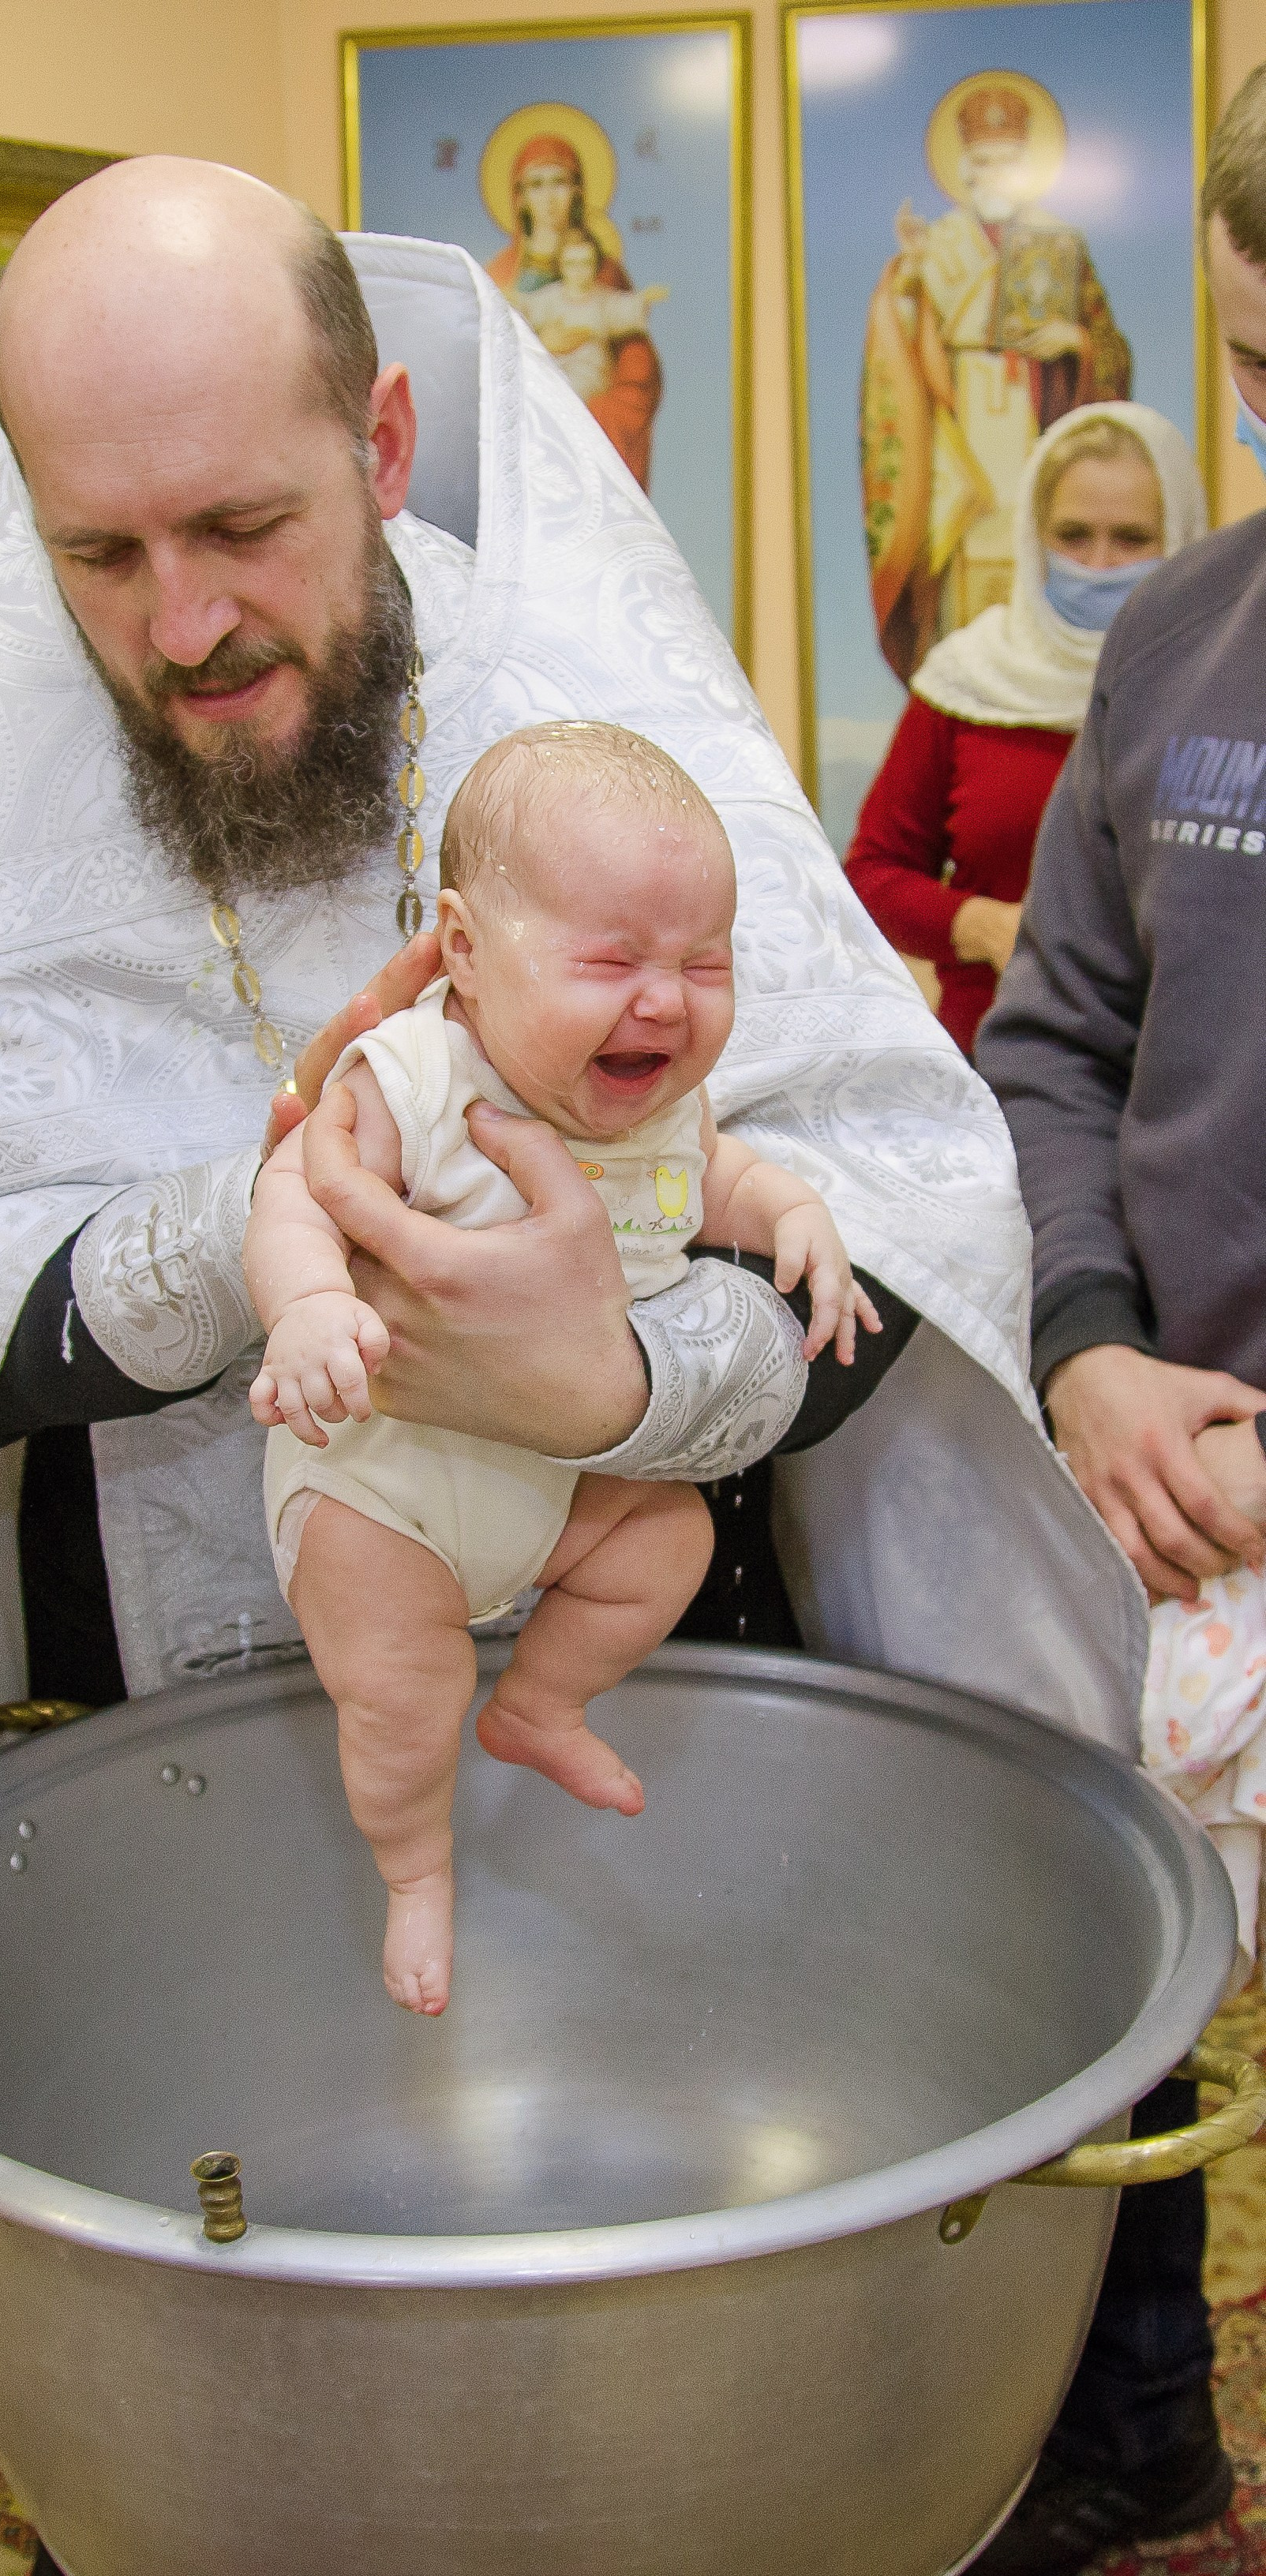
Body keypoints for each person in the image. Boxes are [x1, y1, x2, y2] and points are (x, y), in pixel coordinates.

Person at [0, 155, 1134, 1956]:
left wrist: (610, 1386)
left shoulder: (606, 745)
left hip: (653, 1678)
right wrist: (250, 1239)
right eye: (98, 552)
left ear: (385, 442)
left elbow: (903, 1214)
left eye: (243, 527)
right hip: (160, 1750)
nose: (181, 628)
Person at [247, 724, 875, 2013]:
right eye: (613, 960)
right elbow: (296, 1188)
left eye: (707, 961)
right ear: (466, 952)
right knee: (403, 1698)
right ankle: (417, 1873)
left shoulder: (660, 1107)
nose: (667, 1000)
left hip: (556, 1479)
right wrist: (310, 1305)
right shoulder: (418, 1072)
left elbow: (720, 1180)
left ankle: (538, 1699)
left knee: (668, 1543)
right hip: (382, 1488)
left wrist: (794, 1211)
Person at [973, 62, 1266, 2576]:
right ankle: (1136, 2419)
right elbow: (1053, 1032)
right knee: (1087, 1966)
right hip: (1149, 1468)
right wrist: (1077, 1334)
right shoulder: (1172, 631)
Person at [845, 402, 1205, 1055]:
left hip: (1180, 1074)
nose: (1099, 564)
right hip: (992, 1063)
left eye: (1131, 539)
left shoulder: (1221, 685)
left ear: (1179, 537)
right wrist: (981, 926)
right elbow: (872, 874)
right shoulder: (967, 682)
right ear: (1032, 539)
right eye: (1072, 535)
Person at [863, 76, 1133, 680]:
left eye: (1008, 160)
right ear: (964, 168)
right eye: (983, 161)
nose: (995, 173)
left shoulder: (1060, 244)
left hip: (1037, 432)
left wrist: (1077, 344)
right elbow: (898, 347)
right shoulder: (938, 245)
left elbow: (1112, 353)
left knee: (1034, 558)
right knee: (964, 574)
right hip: (963, 454)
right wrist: (908, 272)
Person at [485, 134, 664, 488]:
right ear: (519, 197)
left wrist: (597, 415)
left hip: (589, 423)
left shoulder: (606, 273)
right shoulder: (500, 275)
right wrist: (548, 345)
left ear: (578, 192)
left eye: (560, 183)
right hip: (524, 431)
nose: (549, 200)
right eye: (536, 186)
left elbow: (638, 367)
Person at [509, 232, 669, 405]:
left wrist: (645, 298)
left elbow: (624, 308)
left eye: (585, 263)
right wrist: (511, 298)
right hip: (555, 362)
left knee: (573, 390)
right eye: (571, 264)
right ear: (561, 265)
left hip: (589, 368)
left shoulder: (603, 299)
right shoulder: (551, 296)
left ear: (595, 266)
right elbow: (528, 307)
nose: (578, 271)